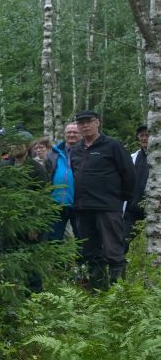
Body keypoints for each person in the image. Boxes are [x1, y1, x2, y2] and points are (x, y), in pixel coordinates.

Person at [70, 110, 135, 289]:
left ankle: (118, 294)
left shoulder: (112, 145)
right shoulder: (75, 150)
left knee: (114, 251)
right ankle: (98, 291)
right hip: (83, 208)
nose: (85, 125)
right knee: (90, 252)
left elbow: (129, 173)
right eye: (81, 122)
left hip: (108, 207)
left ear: (97, 122)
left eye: (88, 121)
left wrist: (121, 199)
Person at [45, 123, 80, 241]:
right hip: (56, 202)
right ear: (64, 134)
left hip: (79, 202)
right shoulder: (53, 153)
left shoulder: (86, 151)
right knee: (54, 238)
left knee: (82, 237)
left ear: (80, 134)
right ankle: (56, 260)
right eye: (69, 132)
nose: (72, 135)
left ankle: (83, 259)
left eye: (75, 132)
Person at [124, 124, 150, 248]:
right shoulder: (133, 158)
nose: (145, 138)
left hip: (155, 209)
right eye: (142, 135)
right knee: (122, 241)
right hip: (133, 210)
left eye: (148, 135)